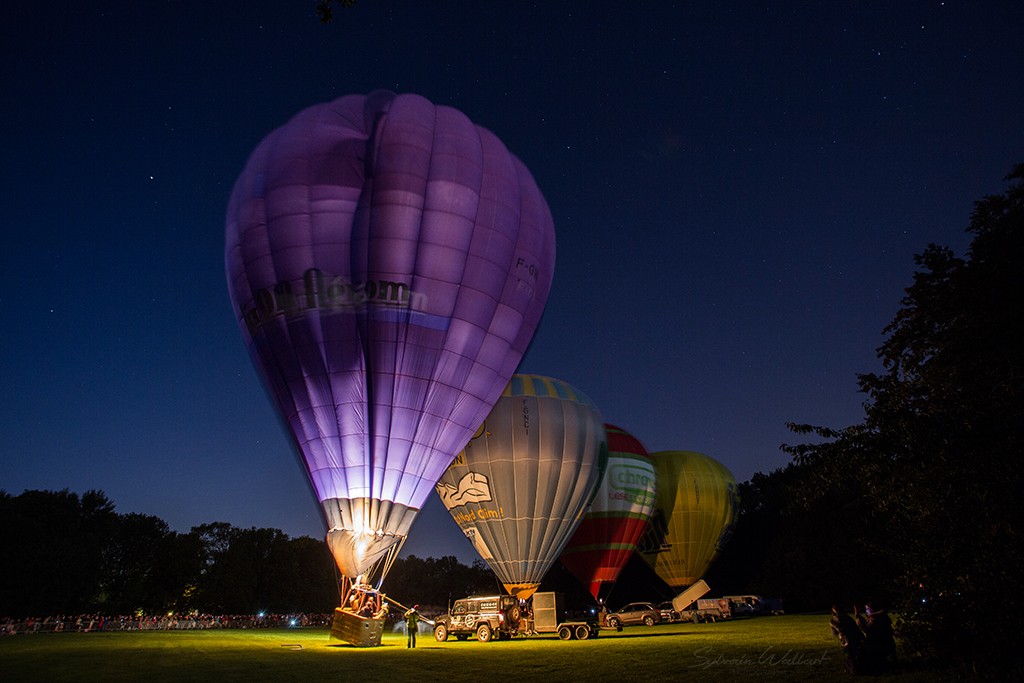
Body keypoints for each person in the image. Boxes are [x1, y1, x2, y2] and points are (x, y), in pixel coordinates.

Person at [830, 605, 865, 674]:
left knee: (854, 654)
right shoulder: (834, 620)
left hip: (853, 638)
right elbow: (837, 631)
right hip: (846, 640)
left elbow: (855, 628)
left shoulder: (847, 618)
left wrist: (861, 636)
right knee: (850, 655)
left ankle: (855, 669)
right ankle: (853, 669)